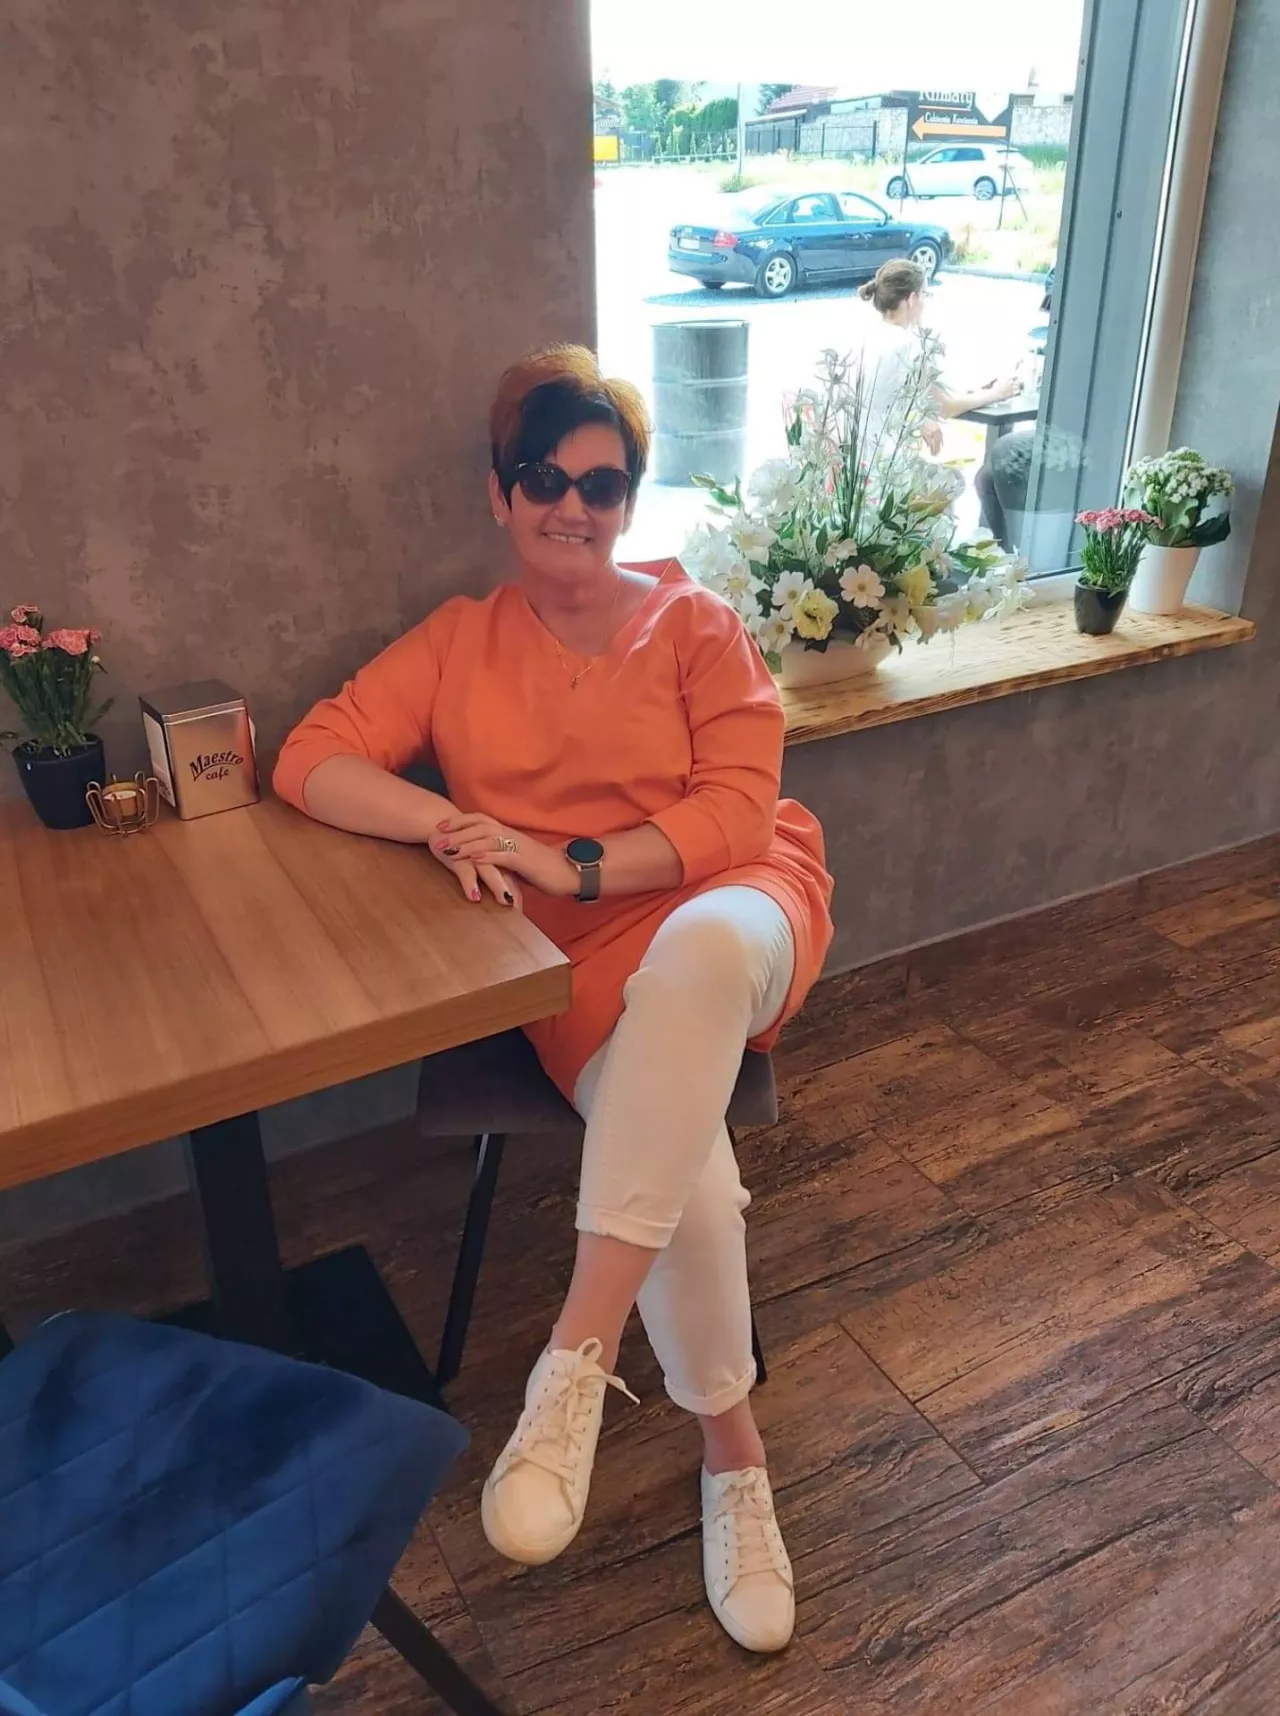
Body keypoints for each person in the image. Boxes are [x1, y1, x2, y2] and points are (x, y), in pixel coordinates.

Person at [273, 346, 834, 1655]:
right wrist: (445, 824)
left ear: (629, 497)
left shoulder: (695, 624)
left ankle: (573, 1358)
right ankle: (734, 1458)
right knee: (692, 1182)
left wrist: (567, 861)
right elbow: (311, 757)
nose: (571, 507)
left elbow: (736, 810)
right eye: (543, 478)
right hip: (572, 971)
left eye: (602, 483)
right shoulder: (458, 643)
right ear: (500, 491)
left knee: (695, 957)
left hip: (735, 902)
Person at [853, 259, 1022, 456]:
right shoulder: (909, 345)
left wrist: (925, 416)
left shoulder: (868, 334)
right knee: (960, 473)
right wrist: (997, 393)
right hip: (880, 458)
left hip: (853, 453)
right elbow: (946, 407)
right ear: (913, 298)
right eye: (925, 295)